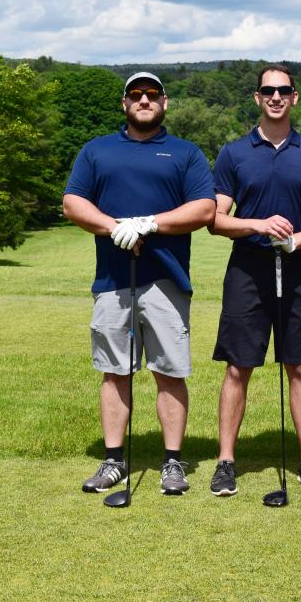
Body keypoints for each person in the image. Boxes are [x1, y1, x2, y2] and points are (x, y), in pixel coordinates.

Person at [63, 71, 216, 497]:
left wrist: (150, 224)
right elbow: (73, 202)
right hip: (113, 280)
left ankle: (172, 463)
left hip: (166, 278)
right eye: (136, 94)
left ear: (165, 103)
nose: (144, 99)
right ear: (124, 103)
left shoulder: (184, 154)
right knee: (115, 372)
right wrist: (114, 227)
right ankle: (114, 460)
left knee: (169, 372)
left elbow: (204, 208)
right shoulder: (97, 150)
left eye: (152, 94)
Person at [207, 64, 301, 497]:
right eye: (268, 90)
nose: (276, 96)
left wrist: (296, 241)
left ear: (295, 97)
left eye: (284, 90)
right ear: (258, 98)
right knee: (237, 366)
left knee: (299, 365)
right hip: (247, 269)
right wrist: (259, 225)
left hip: (298, 268)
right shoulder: (234, 153)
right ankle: (226, 461)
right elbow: (216, 219)